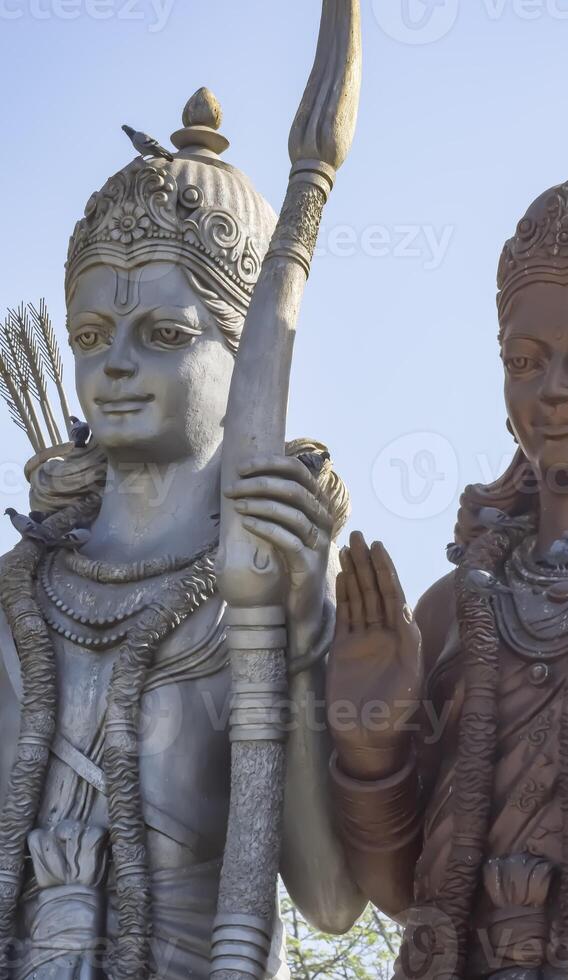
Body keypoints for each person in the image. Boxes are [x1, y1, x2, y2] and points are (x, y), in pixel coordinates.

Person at [0, 88, 365, 980]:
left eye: (164, 333)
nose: (115, 364)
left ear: (248, 363)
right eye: (92, 334)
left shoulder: (262, 600)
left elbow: (328, 900)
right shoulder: (19, 599)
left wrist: (304, 632)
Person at [327, 114, 568, 980]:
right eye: (524, 358)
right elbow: (399, 893)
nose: (551, 388)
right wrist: (372, 741)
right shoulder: (451, 609)